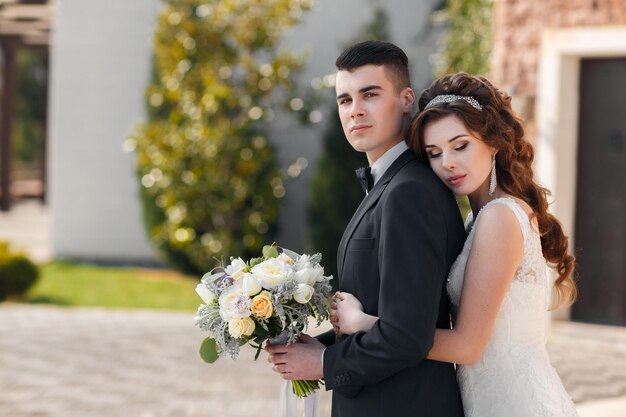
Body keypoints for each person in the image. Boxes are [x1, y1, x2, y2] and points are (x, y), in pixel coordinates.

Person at [331, 72, 580, 417]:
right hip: (484, 397)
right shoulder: (478, 218)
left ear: (493, 141)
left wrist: (366, 323)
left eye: (460, 146)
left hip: (512, 402)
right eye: (434, 153)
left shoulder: (499, 217)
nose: (447, 163)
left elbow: (466, 346)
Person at [265, 41, 466, 417]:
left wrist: (323, 363)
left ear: (406, 99)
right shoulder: (390, 184)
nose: (355, 110)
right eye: (344, 100)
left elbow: (407, 336)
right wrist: (313, 346)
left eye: (369, 95)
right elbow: (380, 312)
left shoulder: (410, 193)